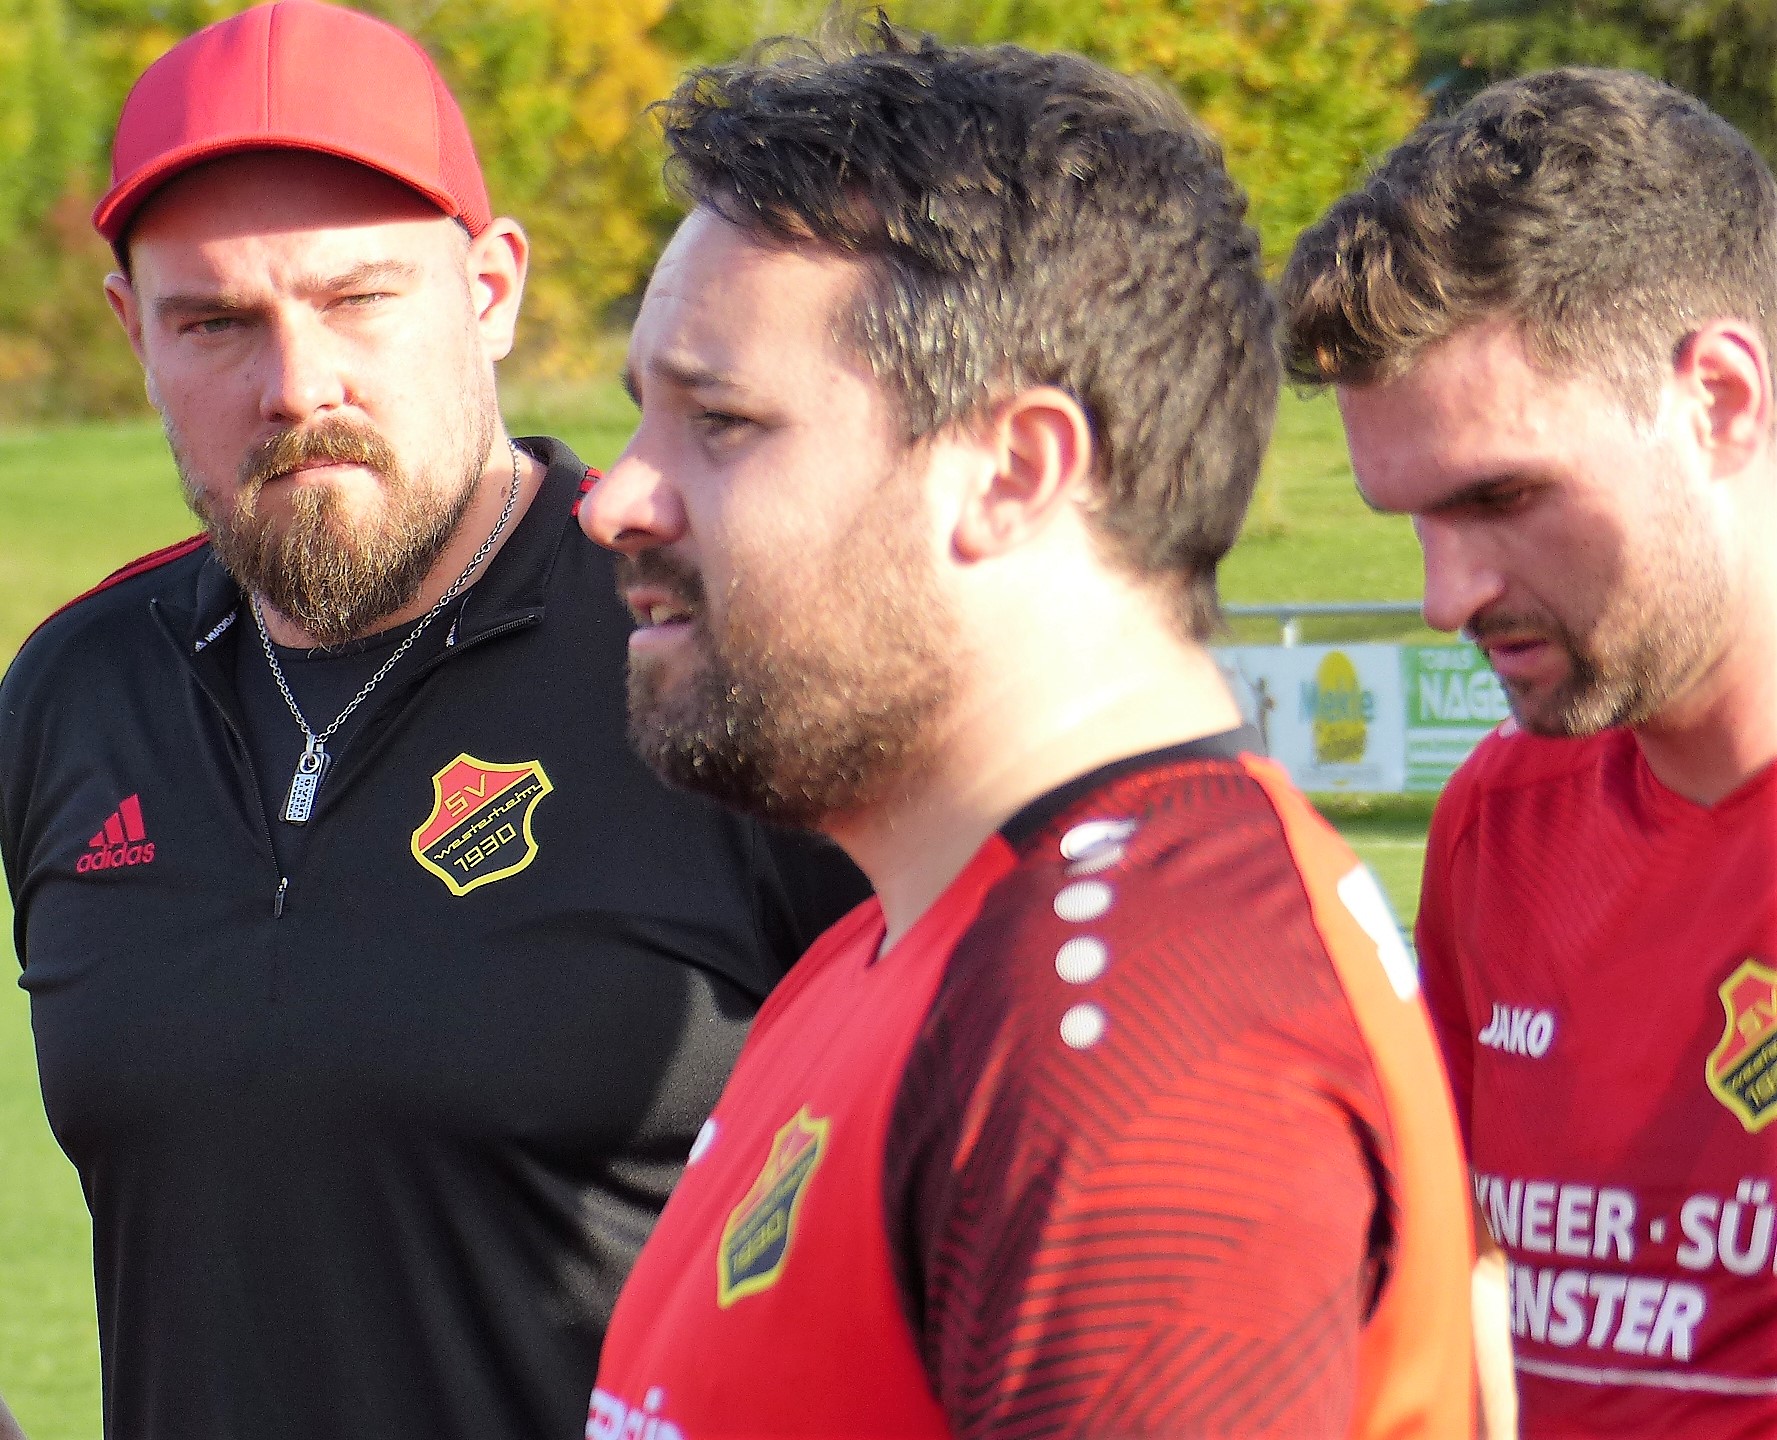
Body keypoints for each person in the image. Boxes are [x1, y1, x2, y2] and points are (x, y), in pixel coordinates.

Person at [576, 20, 1475, 1439]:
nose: (616, 498)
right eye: (644, 417)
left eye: (723, 422)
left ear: (1012, 472)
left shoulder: (1139, 1031)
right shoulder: (912, 942)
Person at [0, 4, 865, 1438]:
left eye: (357, 299)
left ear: (491, 290)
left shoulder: (715, 651)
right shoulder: (79, 688)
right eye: (214, 322)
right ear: (132, 332)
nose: (296, 387)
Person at [1281, 66, 1777, 1440]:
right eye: (1413, 520)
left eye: (1501, 496)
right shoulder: (1500, 819)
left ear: (1717, 400)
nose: (1445, 597)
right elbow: (1471, 1288)